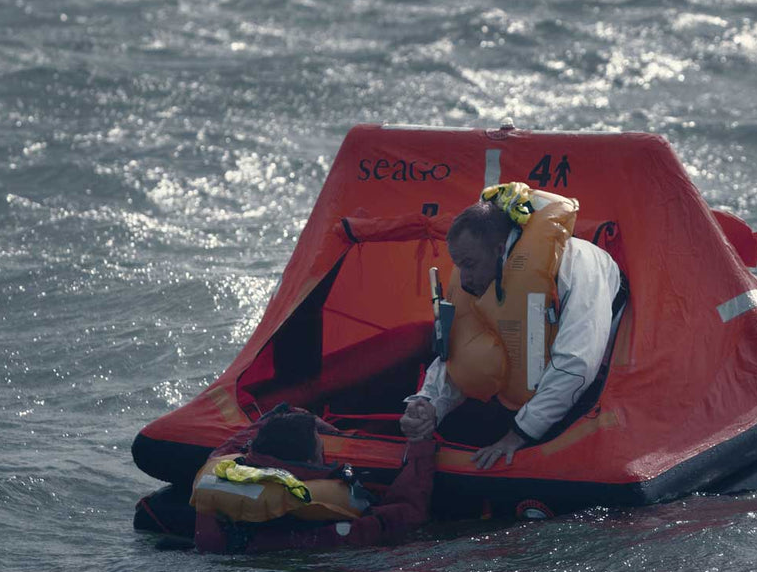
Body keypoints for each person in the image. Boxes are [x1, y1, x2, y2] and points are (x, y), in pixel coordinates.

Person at [402, 183, 624, 470]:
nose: (464, 278)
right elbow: (460, 352)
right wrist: (428, 404)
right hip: (520, 393)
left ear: (498, 249)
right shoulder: (478, 276)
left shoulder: (580, 265)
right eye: (459, 266)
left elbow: (577, 363)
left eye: (469, 264)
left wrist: (517, 435)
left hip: (596, 387)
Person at [191, 405, 437, 552]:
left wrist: (293, 415)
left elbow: (236, 442)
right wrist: (421, 443)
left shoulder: (222, 470)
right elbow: (408, 512)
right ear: (310, 461)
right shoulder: (325, 521)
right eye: (322, 449)